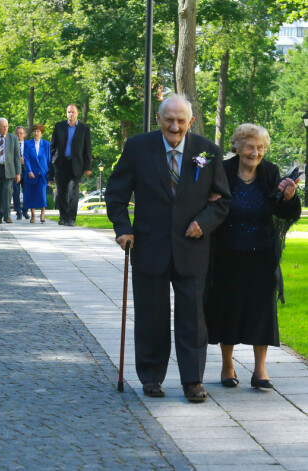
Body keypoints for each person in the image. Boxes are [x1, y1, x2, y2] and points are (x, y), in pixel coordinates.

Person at [105, 94, 231, 402]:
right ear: (159, 119)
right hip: (149, 246)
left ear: (190, 121)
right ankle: (151, 377)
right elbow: (116, 195)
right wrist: (123, 230)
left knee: (192, 318)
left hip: (192, 247)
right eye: (169, 119)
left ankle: (192, 381)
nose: (174, 126)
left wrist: (204, 221)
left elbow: (223, 199)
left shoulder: (207, 151)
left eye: (180, 120)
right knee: (151, 317)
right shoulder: (137, 147)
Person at [205, 124, 301, 390]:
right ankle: (228, 365)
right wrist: (208, 199)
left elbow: (285, 212)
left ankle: (260, 370)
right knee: (228, 308)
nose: (255, 152)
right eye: (249, 146)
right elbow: (205, 198)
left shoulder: (270, 172)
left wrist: (290, 197)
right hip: (227, 253)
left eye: (260, 148)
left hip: (262, 255)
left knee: (262, 312)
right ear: (237, 146)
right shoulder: (222, 170)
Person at [49, 104, 93, 226]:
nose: (71, 114)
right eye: (69, 112)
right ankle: (63, 217)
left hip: (76, 164)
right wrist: (53, 160)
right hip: (61, 163)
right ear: (66, 113)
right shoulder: (59, 126)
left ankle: (71, 218)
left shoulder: (84, 128)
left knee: (73, 191)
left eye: (73, 112)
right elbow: (53, 146)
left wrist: (88, 166)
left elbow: (88, 149)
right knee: (61, 192)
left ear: (77, 113)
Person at [23, 123, 51, 224]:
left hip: (43, 173)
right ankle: (33, 214)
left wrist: (50, 174)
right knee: (31, 194)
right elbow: (26, 159)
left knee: (42, 193)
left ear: (41, 133)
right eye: (34, 131)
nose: (36, 133)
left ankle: (43, 213)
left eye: (38, 131)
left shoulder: (47, 145)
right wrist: (29, 171)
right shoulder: (27, 144)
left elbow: (49, 159)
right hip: (31, 173)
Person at [13, 126, 29, 220]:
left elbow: (32, 156)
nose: (19, 135)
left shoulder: (28, 144)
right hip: (15, 171)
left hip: (26, 170)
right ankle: (18, 212)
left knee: (27, 191)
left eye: (21, 133)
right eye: (18, 133)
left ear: (25, 134)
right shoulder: (12, 144)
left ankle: (25, 211)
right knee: (16, 192)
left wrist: (25, 160)